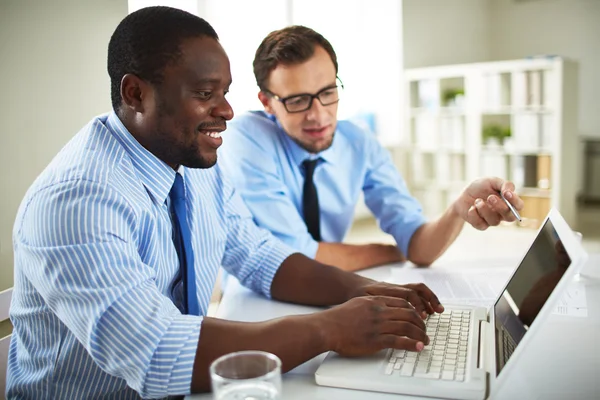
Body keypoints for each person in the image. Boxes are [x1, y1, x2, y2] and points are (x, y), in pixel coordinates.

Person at [6, 7, 444, 399]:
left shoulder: (189, 162)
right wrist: (329, 328)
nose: (227, 111)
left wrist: (361, 290)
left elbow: (257, 255)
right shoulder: (76, 200)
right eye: (205, 94)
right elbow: (158, 353)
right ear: (135, 94)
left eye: (226, 92)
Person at [219, 25, 525, 272]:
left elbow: (419, 246)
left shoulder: (358, 143)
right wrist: (392, 251)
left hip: (330, 288)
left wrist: (459, 207)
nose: (319, 114)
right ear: (267, 103)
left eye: (327, 92)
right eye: (297, 100)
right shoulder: (247, 136)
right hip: (258, 300)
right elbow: (297, 256)